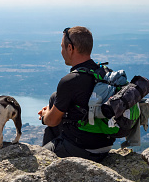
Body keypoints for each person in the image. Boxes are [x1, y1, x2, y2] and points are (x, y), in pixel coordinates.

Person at [37, 26, 114, 162]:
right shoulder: (104, 73)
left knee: (40, 159)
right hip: (104, 147)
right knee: (55, 97)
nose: (61, 51)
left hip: (80, 149)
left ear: (71, 48)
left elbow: (52, 121)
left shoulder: (70, 81)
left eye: (62, 47)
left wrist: (45, 116)